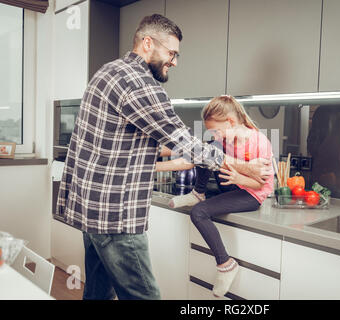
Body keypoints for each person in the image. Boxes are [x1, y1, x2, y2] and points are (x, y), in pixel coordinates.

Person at [55, 14, 271, 300]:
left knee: (97, 294)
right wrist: (245, 166)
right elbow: (181, 139)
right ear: (147, 43)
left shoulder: (108, 71)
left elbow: (127, 142)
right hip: (116, 216)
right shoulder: (138, 83)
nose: (175, 61)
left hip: (91, 209)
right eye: (172, 53)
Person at [156, 95, 274, 297]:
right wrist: (151, 165)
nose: (216, 136)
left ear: (230, 122)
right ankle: (197, 193)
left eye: (217, 131)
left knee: (199, 213)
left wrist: (239, 177)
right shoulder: (223, 140)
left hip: (250, 193)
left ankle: (225, 264)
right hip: (230, 185)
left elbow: (263, 185)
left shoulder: (259, 142)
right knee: (206, 150)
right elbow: (194, 158)